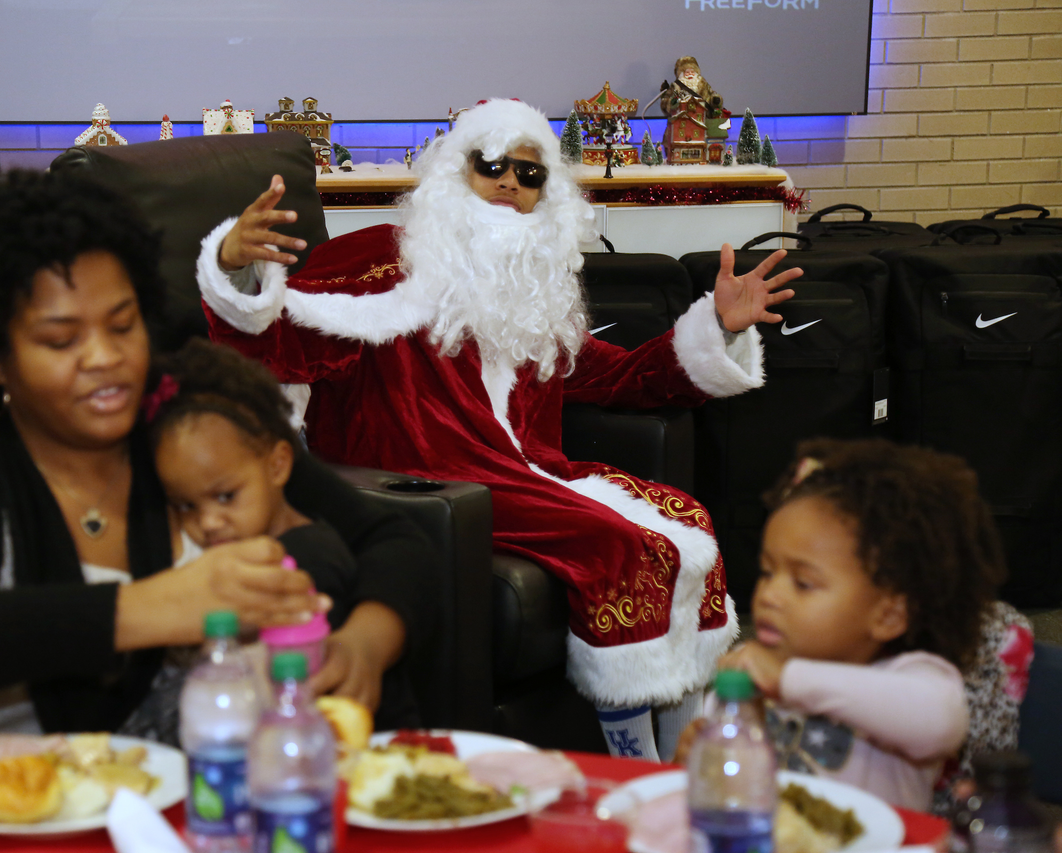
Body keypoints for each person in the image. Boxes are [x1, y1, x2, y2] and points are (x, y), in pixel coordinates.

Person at [196, 98, 802, 759]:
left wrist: (719, 326)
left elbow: (620, 377)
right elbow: (278, 340)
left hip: (525, 472)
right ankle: (633, 759)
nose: (510, 181)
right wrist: (232, 266)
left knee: (684, 519)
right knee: (620, 545)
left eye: (529, 171)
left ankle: (686, 740)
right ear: (457, 171)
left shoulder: (532, 287)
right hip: (426, 483)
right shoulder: (381, 260)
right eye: (491, 164)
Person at [0, 169, 435, 794]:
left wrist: (365, 645)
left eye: (121, 324)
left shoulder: (197, 419)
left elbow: (388, 540)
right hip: (21, 820)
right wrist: (146, 610)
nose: (105, 357)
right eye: (61, 339)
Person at [677, 438, 1002, 811]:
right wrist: (694, 764)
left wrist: (786, 679)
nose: (769, 595)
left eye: (803, 583)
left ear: (888, 615)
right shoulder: (748, 668)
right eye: (767, 572)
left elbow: (940, 722)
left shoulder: (913, 678)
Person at [120, 338, 418, 742]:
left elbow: (295, 698)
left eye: (225, 497)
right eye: (185, 506)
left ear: (279, 465)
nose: (207, 522)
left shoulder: (301, 563)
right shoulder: (252, 535)